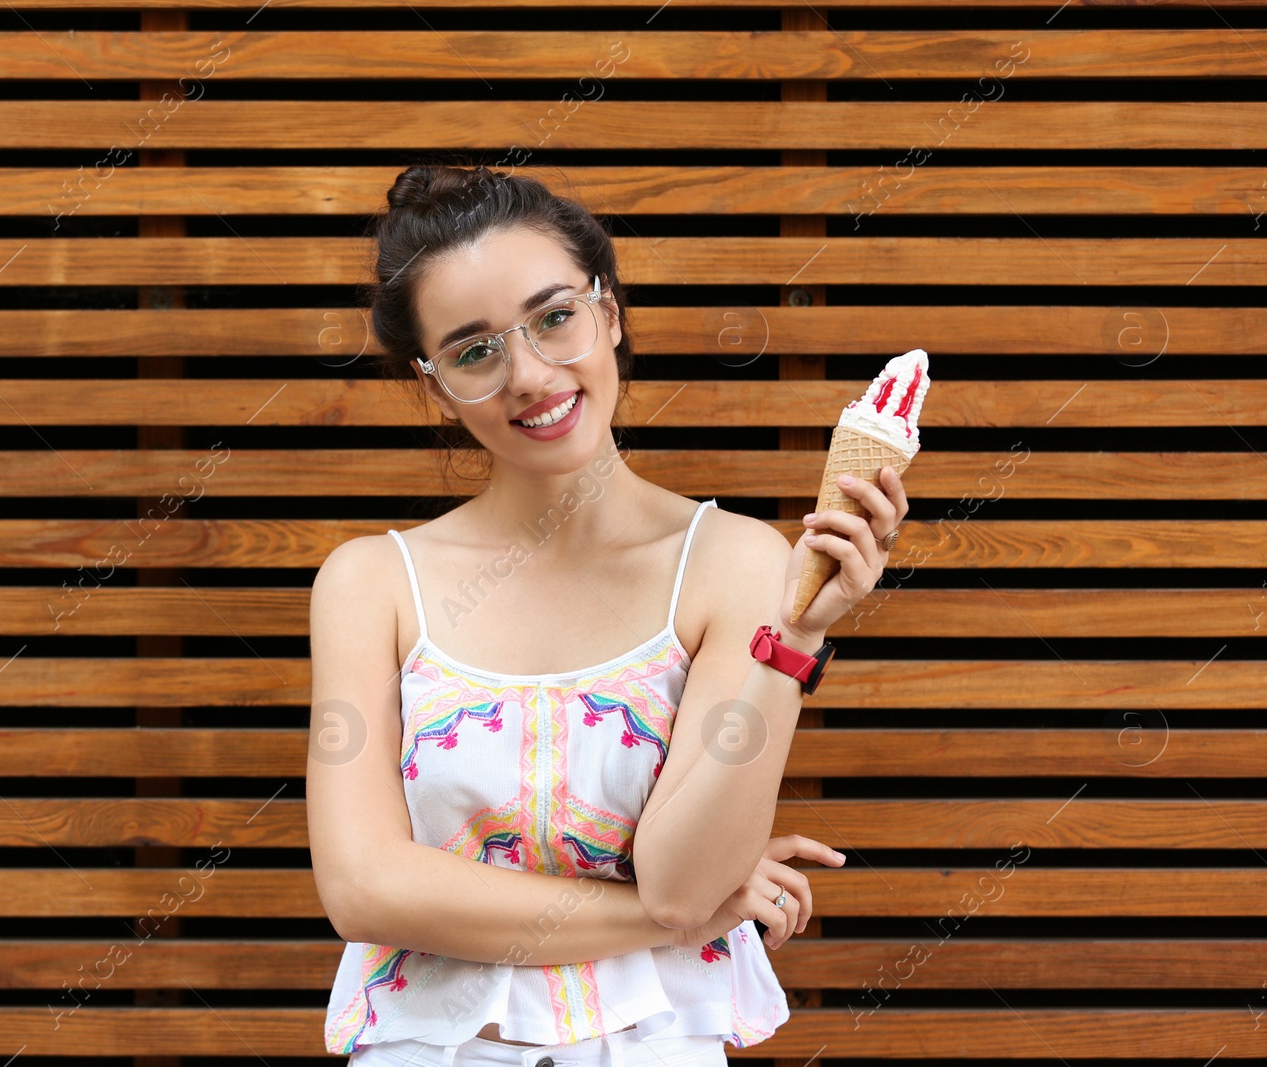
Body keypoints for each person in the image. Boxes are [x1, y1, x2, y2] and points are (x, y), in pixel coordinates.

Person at [307, 163, 908, 1067]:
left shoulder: (737, 563)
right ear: (435, 385)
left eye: (556, 317)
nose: (531, 375)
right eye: (476, 351)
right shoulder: (369, 583)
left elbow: (681, 879)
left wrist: (796, 639)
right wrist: (689, 912)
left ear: (610, 313)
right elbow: (364, 886)